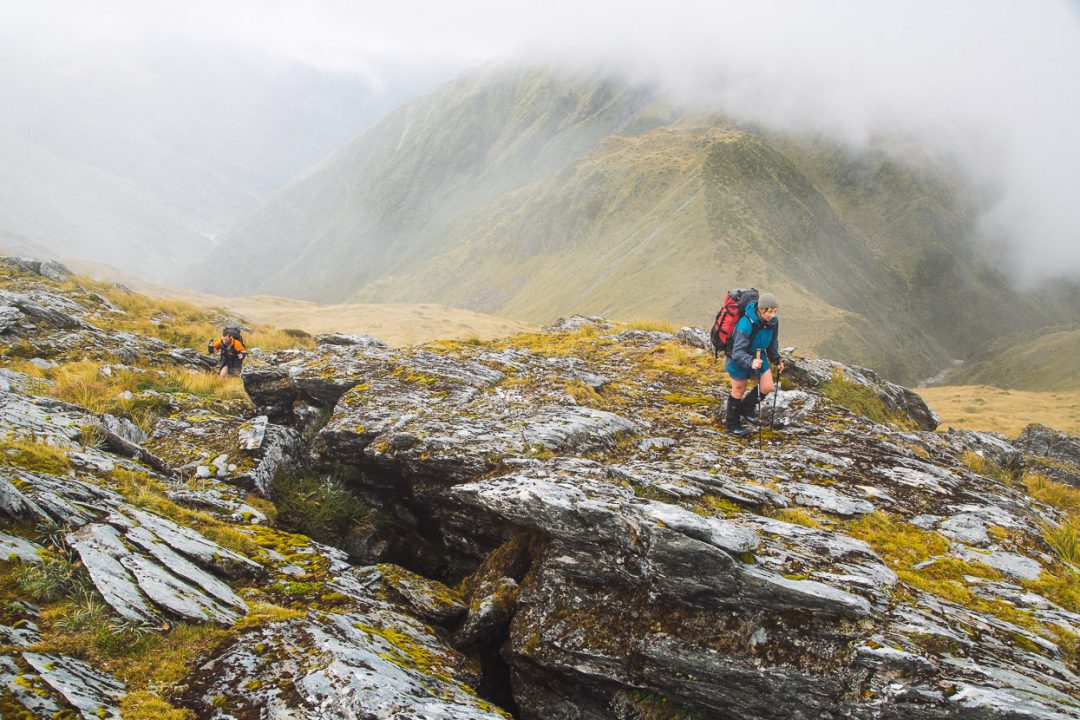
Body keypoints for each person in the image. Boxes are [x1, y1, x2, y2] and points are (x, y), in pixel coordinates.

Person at [725, 293, 784, 437]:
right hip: (738, 358)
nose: (772, 315)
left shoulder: (773, 322)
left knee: (767, 386)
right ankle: (732, 426)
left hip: (759, 355)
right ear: (761, 310)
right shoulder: (746, 324)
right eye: (770, 311)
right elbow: (737, 352)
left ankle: (746, 408)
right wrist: (751, 361)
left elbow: (772, 342)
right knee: (739, 390)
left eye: (775, 311)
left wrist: (776, 359)